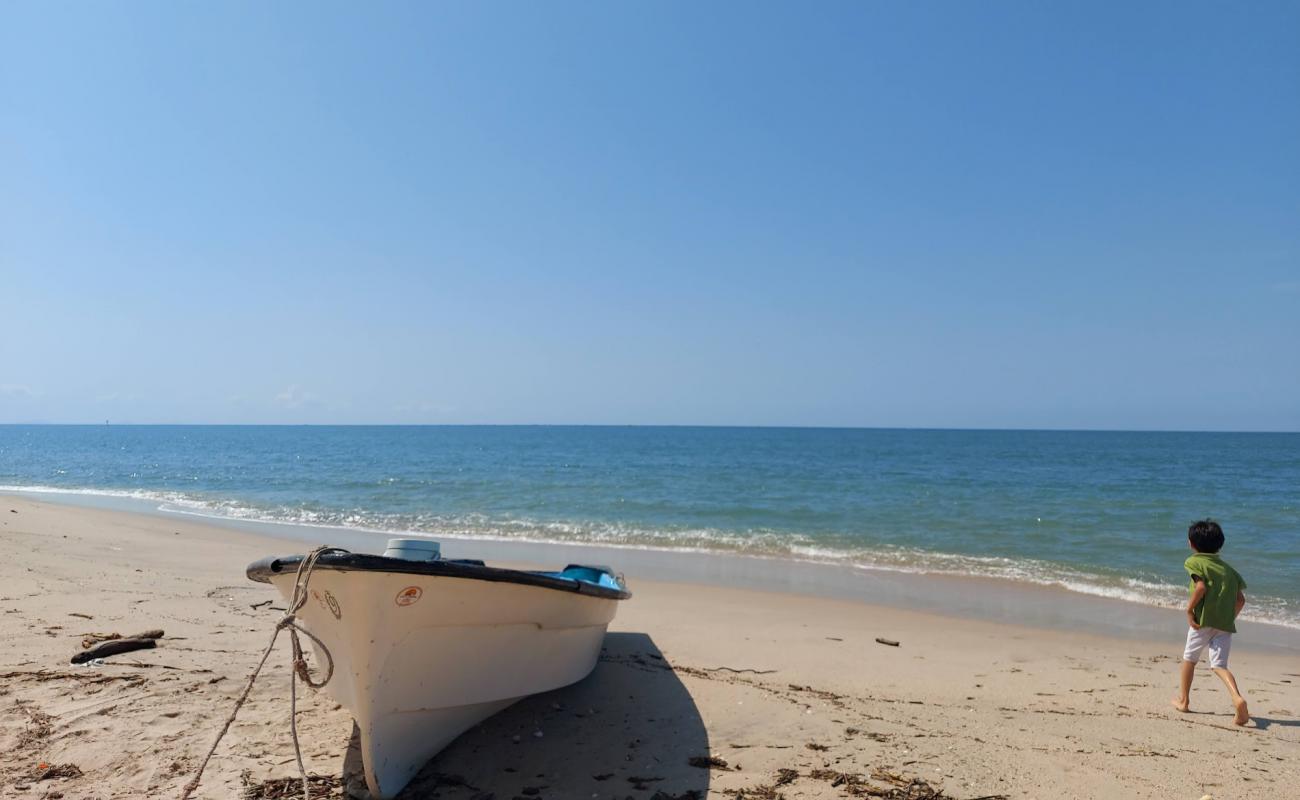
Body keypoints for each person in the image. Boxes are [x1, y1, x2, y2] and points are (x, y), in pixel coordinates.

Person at [1171, 519, 1249, 725]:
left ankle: (1184, 701)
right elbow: (1241, 600)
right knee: (1219, 665)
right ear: (1220, 544)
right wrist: (1229, 617)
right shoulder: (1229, 570)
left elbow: (1201, 588)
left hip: (1201, 622)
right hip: (1224, 624)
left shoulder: (1193, 562)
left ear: (1191, 543)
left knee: (1190, 659)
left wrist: (1189, 610)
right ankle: (1237, 698)